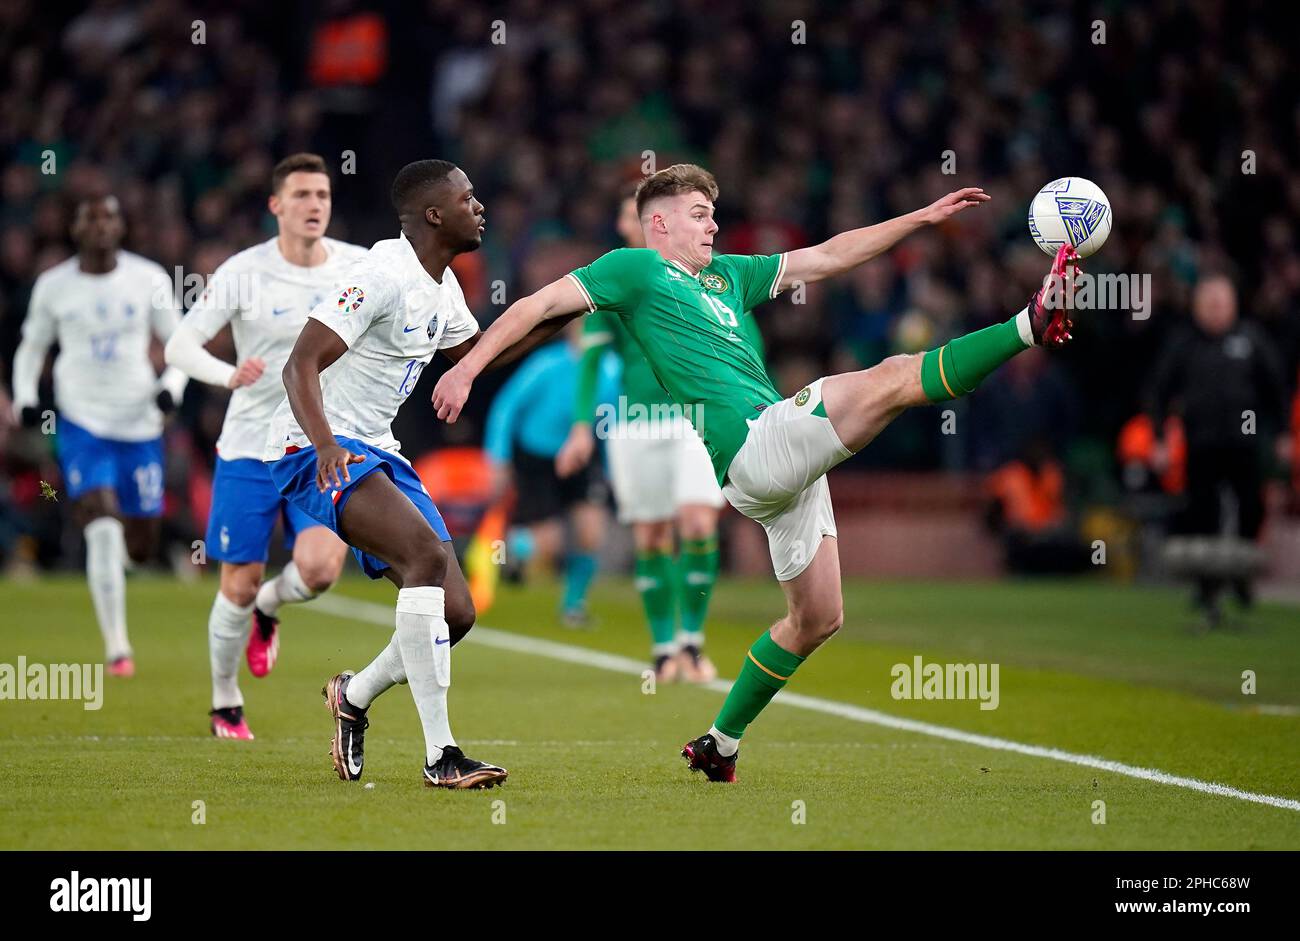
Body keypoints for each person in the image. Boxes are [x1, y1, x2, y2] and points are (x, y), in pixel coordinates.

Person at [432, 163, 1077, 782]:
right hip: (754, 445)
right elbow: (534, 308)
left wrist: (921, 217)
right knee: (890, 378)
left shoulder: (729, 277)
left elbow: (828, 256)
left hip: (777, 462)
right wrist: (467, 368)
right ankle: (1028, 325)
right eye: (700, 215)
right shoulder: (632, 269)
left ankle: (719, 742)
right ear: (658, 225)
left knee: (817, 618)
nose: (714, 227)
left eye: (714, 215)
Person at [268, 159, 565, 789]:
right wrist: (324, 445)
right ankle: (441, 757)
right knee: (426, 557)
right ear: (434, 214)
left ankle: (354, 695)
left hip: (379, 450)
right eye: (468, 197)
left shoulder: (442, 284)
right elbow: (299, 365)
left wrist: (565, 312)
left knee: (455, 614)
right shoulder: (381, 275)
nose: (479, 206)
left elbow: (480, 355)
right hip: (314, 446)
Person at [165, 153, 367, 739]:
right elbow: (181, 345)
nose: (314, 206)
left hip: (316, 446)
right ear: (276, 205)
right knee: (237, 582)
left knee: (322, 569)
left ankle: (270, 608)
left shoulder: (357, 267)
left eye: (323, 196)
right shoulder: (243, 272)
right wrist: (224, 374)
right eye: (301, 195)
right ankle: (225, 701)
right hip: (251, 447)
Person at [555, 190, 756, 681]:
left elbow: (745, 346)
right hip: (634, 423)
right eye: (625, 213)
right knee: (651, 535)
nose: (629, 219)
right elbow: (592, 364)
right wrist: (583, 426)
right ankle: (664, 650)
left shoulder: (705, 277)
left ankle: (693, 642)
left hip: (695, 421)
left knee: (697, 523)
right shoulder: (614, 281)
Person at [10, 194, 187, 677]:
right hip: (82, 423)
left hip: (140, 425)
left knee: (139, 544)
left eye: (110, 216)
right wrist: (26, 397)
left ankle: (137, 557)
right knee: (102, 524)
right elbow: (31, 348)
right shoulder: (53, 286)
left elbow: (178, 345)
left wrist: (169, 389)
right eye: (91, 217)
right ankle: (118, 649)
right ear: (76, 229)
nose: (102, 225)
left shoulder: (148, 279)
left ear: (121, 226)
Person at [1146, 273, 1287, 624]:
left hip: (1245, 444)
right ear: (1197, 307)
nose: (1214, 310)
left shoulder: (1251, 339)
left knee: (1252, 508)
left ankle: (1239, 573)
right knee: (1201, 515)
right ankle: (1207, 588)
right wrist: (1161, 438)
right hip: (1201, 444)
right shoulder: (1184, 344)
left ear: (1233, 305)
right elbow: (1159, 393)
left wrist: (1284, 434)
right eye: (1208, 303)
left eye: (1220, 303)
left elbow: (1276, 388)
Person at [484, 325, 611, 626]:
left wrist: (611, 467)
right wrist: (498, 456)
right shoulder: (547, 363)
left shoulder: (610, 368)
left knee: (592, 533)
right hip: (538, 456)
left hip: (582, 455)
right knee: (548, 545)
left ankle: (573, 606)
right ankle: (512, 547)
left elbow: (612, 420)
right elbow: (507, 406)